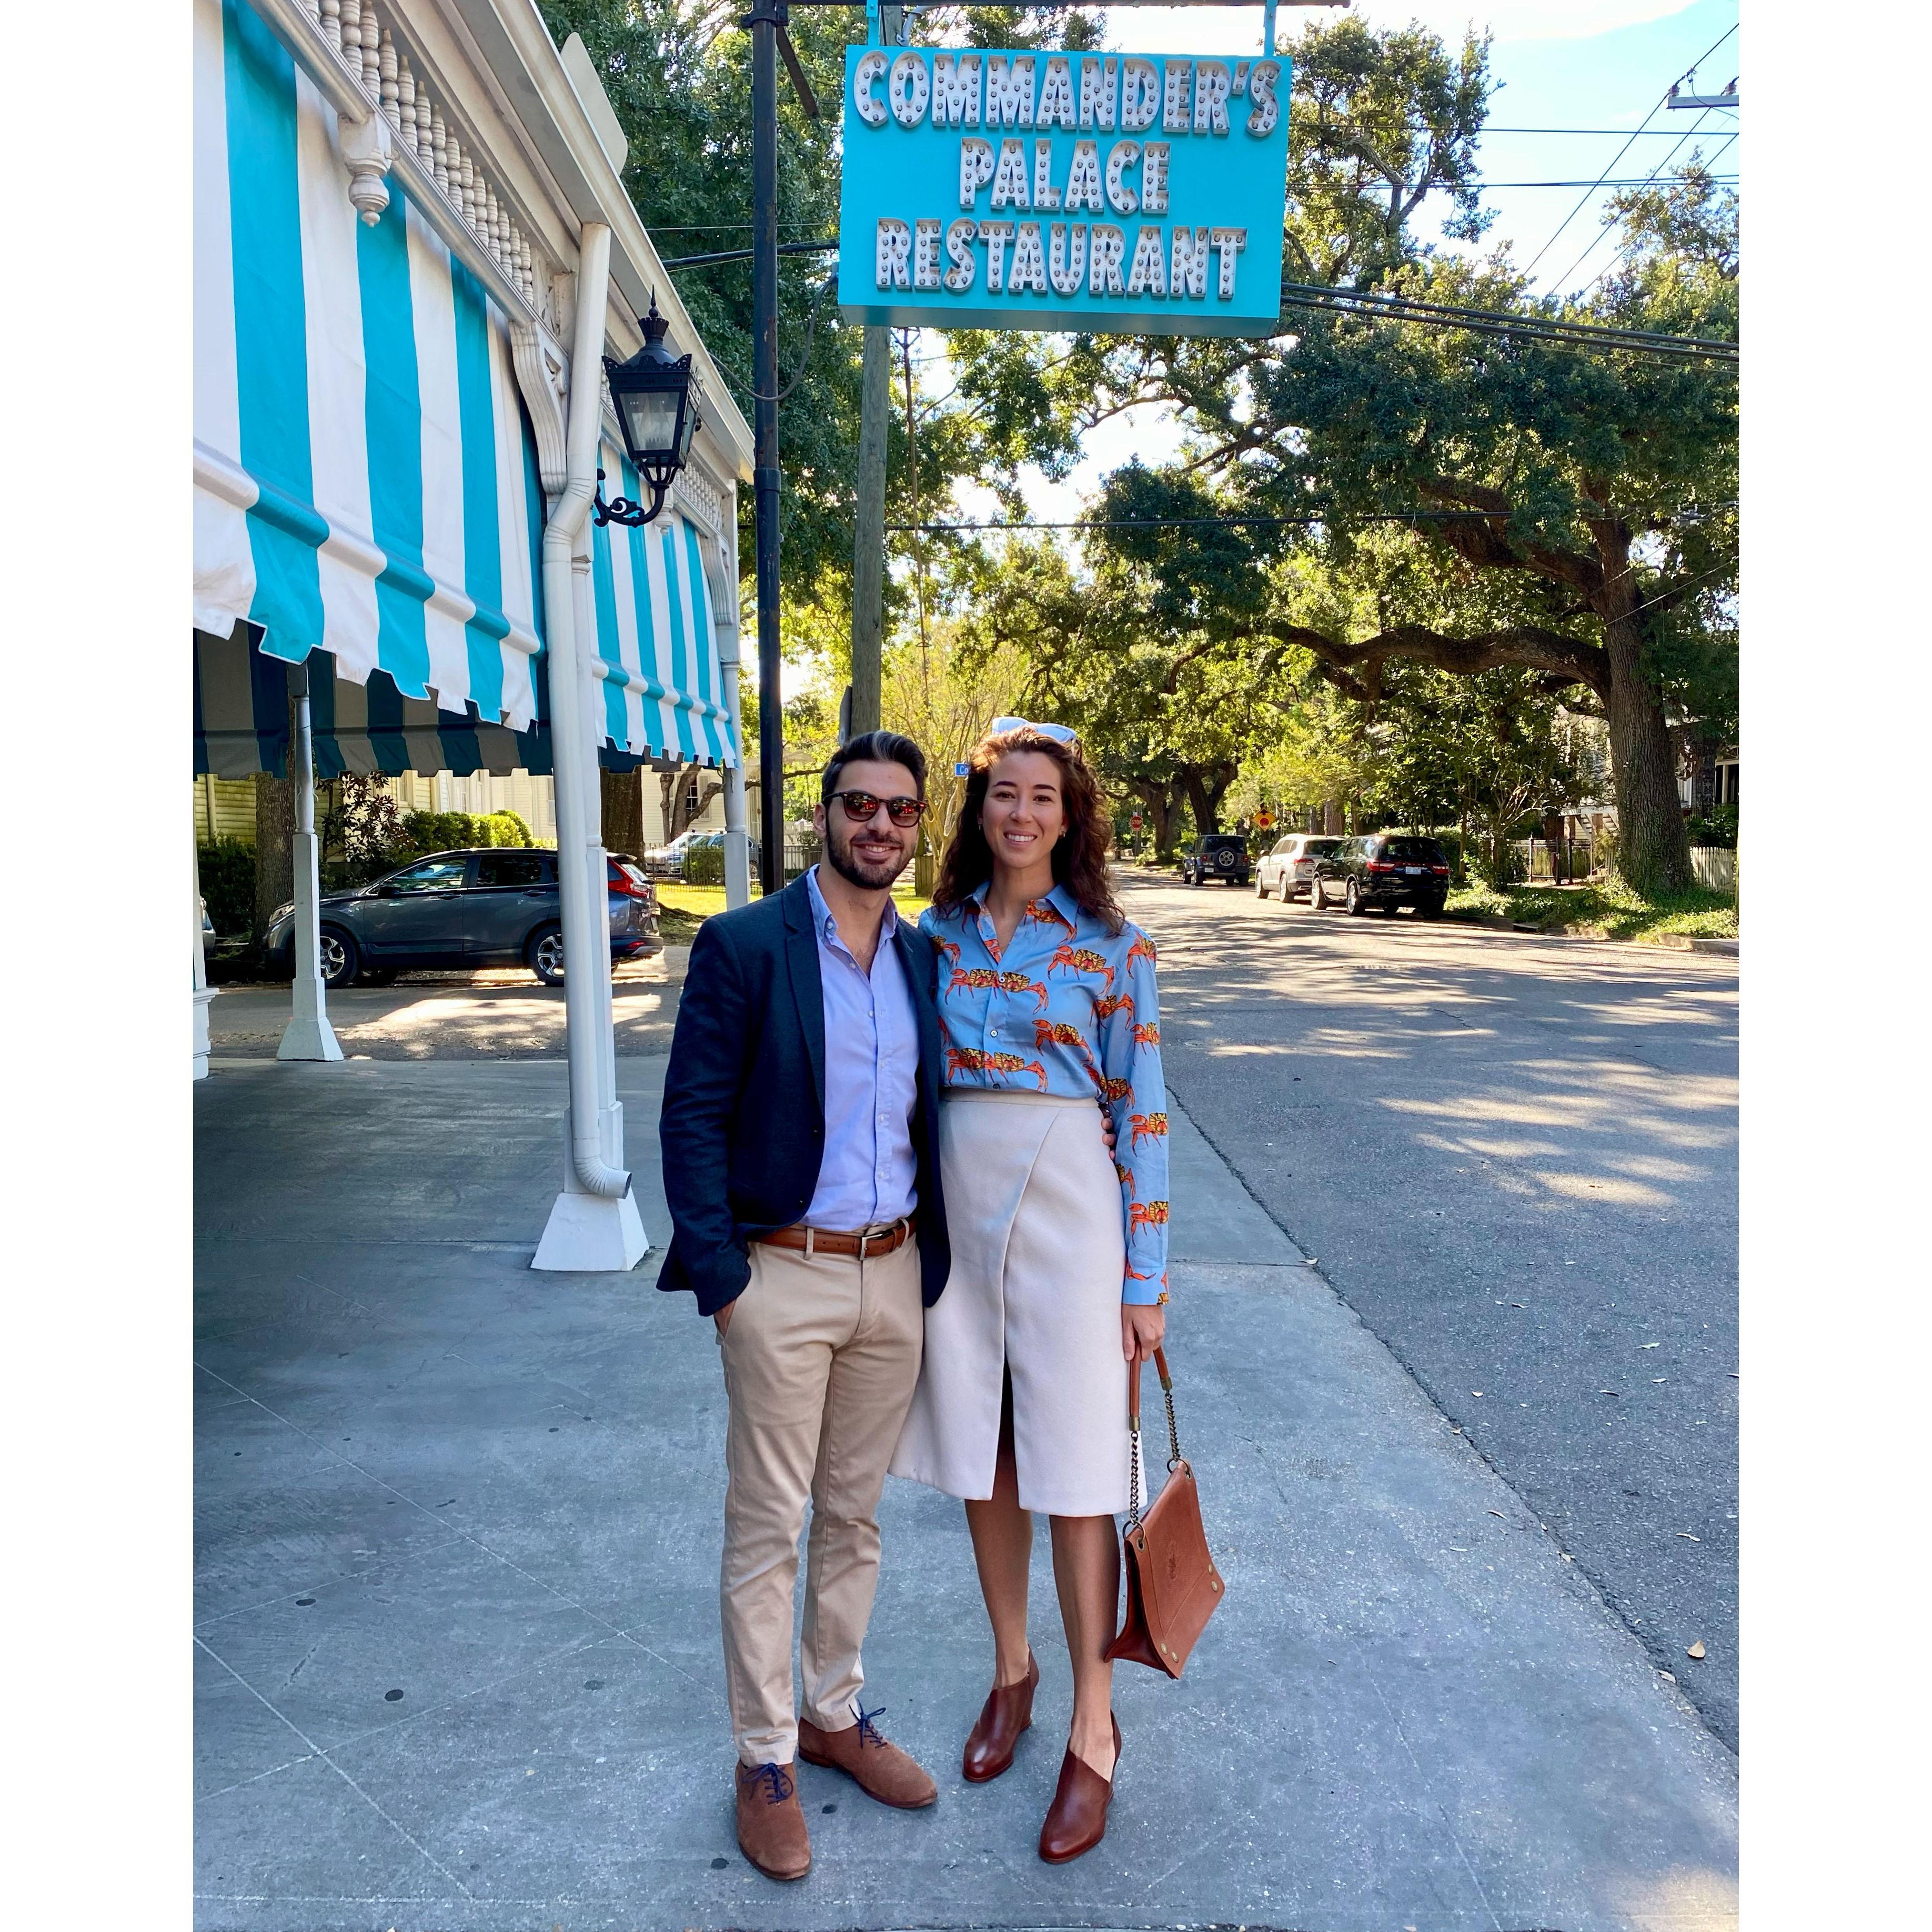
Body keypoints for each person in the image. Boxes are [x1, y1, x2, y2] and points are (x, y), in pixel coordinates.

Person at [657, 731, 950, 1884]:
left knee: (855, 1518)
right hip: (781, 1273)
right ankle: (765, 1756)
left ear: (918, 827)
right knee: (767, 1526)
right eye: (860, 806)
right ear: (824, 815)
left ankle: (834, 1714)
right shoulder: (743, 945)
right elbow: (692, 1114)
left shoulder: (923, 959)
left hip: (893, 1273)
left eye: (901, 810)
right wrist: (724, 1283)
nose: (880, 826)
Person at [890, 717, 1170, 1865]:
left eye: (1042, 796)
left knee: (1079, 1468)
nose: (1021, 812)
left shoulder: (1115, 945)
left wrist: (1146, 1279)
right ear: (980, 807)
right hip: (958, 1198)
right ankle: (1014, 1670)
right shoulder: (935, 936)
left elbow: (1143, 1113)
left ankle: (1096, 1727)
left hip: (1071, 1207)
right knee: (986, 1449)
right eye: (1004, 792)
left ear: (1070, 815)